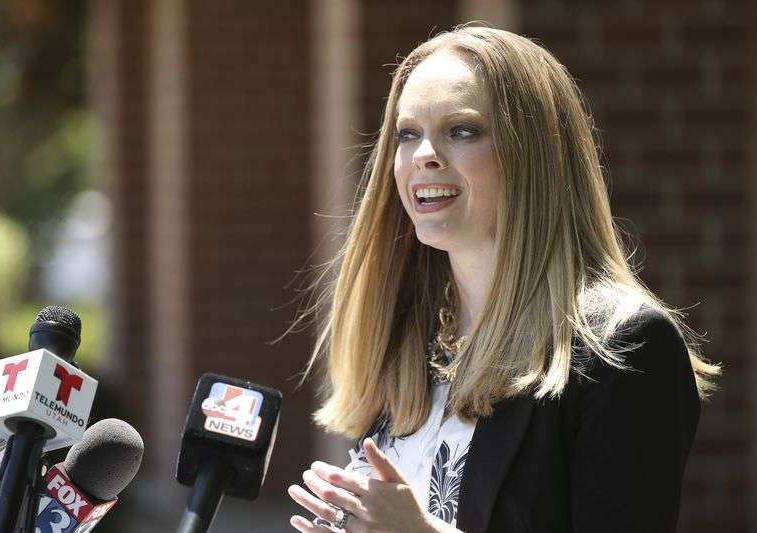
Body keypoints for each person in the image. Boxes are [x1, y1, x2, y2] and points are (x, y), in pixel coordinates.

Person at [285, 24, 721, 533]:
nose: (424, 154)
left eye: (461, 130)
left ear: (532, 154)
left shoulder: (626, 346)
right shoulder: (411, 344)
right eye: (407, 134)